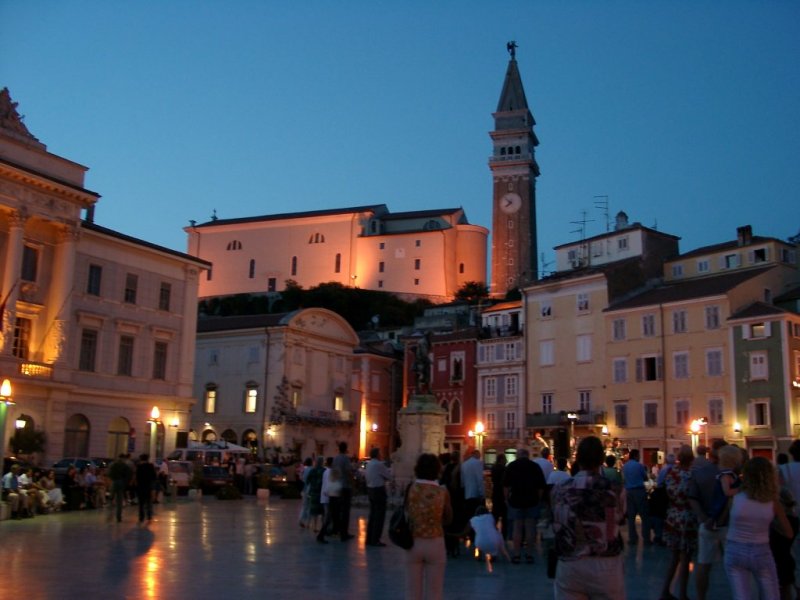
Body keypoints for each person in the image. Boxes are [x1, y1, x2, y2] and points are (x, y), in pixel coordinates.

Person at [552, 436, 626, 600]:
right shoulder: (615, 490)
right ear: (601, 460)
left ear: (577, 459)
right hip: (606, 562)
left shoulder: (559, 490)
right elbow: (620, 518)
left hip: (570, 561)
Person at [724, 456, 793, 600]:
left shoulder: (735, 497)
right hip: (761, 550)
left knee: (741, 596)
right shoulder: (773, 502)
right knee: (771, 594)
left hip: (734, 549)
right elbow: (789, 533)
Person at [405, 453, 452, 600]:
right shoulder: (442, 492)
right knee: (435, 591)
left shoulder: (410, 488)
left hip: (413, 542)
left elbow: (407, 511)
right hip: (435, 541)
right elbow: (449, 518)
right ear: (437, 470)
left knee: (412, 591)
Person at [686, 439, 728, 600]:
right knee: (734, 566)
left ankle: (701, 597)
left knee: (703, 564)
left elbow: (692, 497)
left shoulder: (700, 472)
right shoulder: (730, 473)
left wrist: (703, 518)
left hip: (706, 524)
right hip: (727, 524)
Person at [659, 445, 698, 600]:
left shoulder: (671, 473)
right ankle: (682, 593)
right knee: (686, 557)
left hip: (672, 516)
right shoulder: (691, 474)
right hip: (687, 517)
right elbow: (692, 494)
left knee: (674, 558)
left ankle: (665, 591)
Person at [503, 447, 547, 564]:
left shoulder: (511, 466)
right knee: (530, 528)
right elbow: (541, 487)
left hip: (516, 500)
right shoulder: (535, 466)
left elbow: (506, 486)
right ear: (528, 455)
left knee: (517, 528)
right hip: (532, 500)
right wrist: (538, 499)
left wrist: (506, 499)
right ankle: (529, 554)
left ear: (518, 455)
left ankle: (517, 554)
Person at [770, 487, 799, 600]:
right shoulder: (795, 520)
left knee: (781, 592)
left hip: (779, 562)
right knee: (785, 591)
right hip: (787, 561)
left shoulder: (778, 522)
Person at [622, 448, 651, 544]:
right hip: (639, 491)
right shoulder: (639, 466)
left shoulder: (625, 466)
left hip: (629, 491)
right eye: (639, 455)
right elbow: (645, 477)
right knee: (644, 515)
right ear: (635, 456)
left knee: (631, 516)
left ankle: (632, 537)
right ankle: (646, 538)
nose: (639, 457)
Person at [469, 505, 510, 572]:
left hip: (480, 543)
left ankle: (479, 556)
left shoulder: (472, 520)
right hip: (494, 541)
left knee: (479, 537)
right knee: (495, 537)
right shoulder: (491, 517)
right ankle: (494, 556)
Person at [365, 447, 392, 547]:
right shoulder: (379, 464)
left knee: (372, 515)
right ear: (377, 454)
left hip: (370, 489)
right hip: (378, 490)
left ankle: (369, 538)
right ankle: (376, 539)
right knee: (379, 516)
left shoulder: (369, 464)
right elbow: (389, 476)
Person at [459, 449, 485, 543]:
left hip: (467, 494)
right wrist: (482, 493)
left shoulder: (464, 464)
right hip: (476, 494)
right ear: (477, 455)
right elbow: (479, 479)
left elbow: (462, 482)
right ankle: (477, 534)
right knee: (478, 516)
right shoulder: (478, 463)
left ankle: (469, 534)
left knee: (469, 515)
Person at [331, 441, 354, 541]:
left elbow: (333, 472)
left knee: (336, 510)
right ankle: (344, 533)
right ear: (346, 448)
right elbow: (348, 472)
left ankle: (336, 529)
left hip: (336, 486)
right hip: (345, 487)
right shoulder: (345, 458)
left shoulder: (335, 458)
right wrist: (352, 483)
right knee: (345, 511)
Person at [108, 454, 133, 522]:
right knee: (119, 500)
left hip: (114, 481)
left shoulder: (113, 464)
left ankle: (110, 513)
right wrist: (126, 482)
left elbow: (109, 473)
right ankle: (118, 516)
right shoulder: (125, 466)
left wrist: (112, 478)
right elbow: (129, 474)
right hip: (121, 482)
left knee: (111, 497)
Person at [304, 456, 325, 533]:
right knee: (322, 511)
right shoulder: (324, 471)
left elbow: (307, 480)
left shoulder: (312, 471)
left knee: (314, 511)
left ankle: (315, 526)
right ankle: (323, 526)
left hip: (313, 493)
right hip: (321, 493)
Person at [490, 455, 508, 540]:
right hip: (501, 493)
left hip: (495, 492)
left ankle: (492, 531)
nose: (506, 461)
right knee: (504, 515)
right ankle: (504, 534)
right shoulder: (504, 469)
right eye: (505, 459)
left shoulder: (493, 468)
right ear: (501, 460)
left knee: (495, 514)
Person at [135, 453, 157, 524]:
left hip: (140, 486)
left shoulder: (139, 466)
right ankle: (149, 516)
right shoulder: (150, 466)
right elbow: (154, 477)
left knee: (141, 503)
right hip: (148, 486)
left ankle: (141, 517)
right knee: (148, 502)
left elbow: (137, 477)